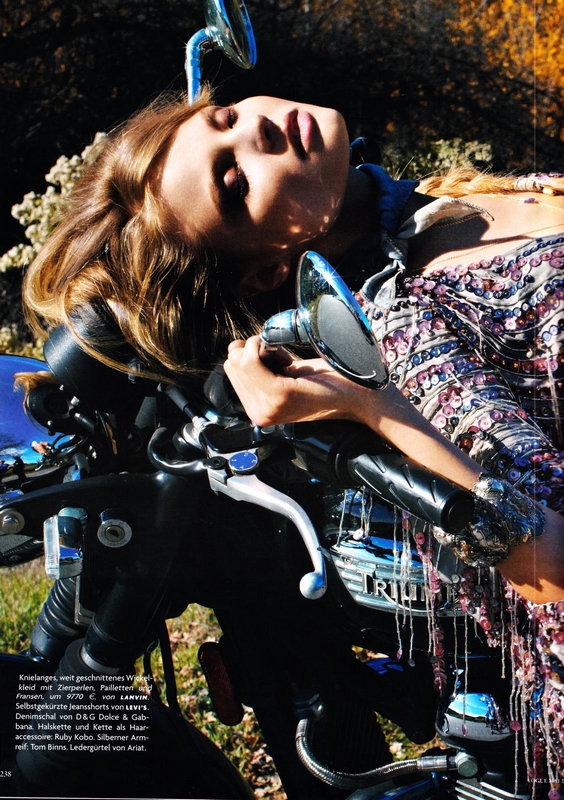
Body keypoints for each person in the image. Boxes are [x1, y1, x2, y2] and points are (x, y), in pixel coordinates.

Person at [22, 92, 563, 783]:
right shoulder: (400, 329)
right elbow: (550, 565)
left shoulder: (427, 203)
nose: (259, 132)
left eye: (223, 118)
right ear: (267, 271)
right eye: (235, 184)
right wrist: (369, 406)